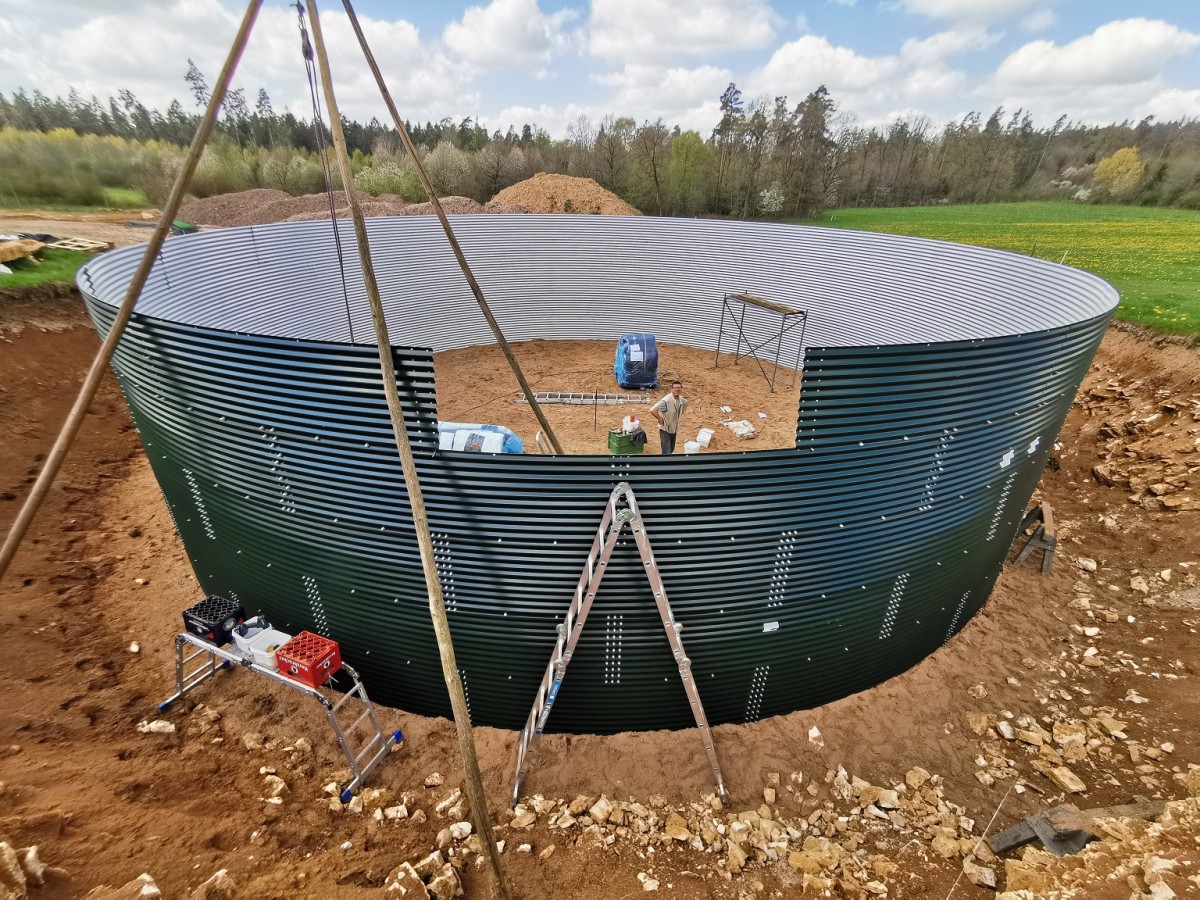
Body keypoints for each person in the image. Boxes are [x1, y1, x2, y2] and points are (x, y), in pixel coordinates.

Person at [650, 380, 688, 455]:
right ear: (671, 389)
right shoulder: (666, 400)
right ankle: (664, 465)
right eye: (675, 388)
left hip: (674, 429)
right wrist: (660, 419)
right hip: (665, 430)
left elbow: (686, 403)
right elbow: (652, 410)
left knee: (671, 449)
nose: (677, 389)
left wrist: (680, 414)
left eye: (679, 388)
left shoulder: (680, 399)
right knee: (666, 453)